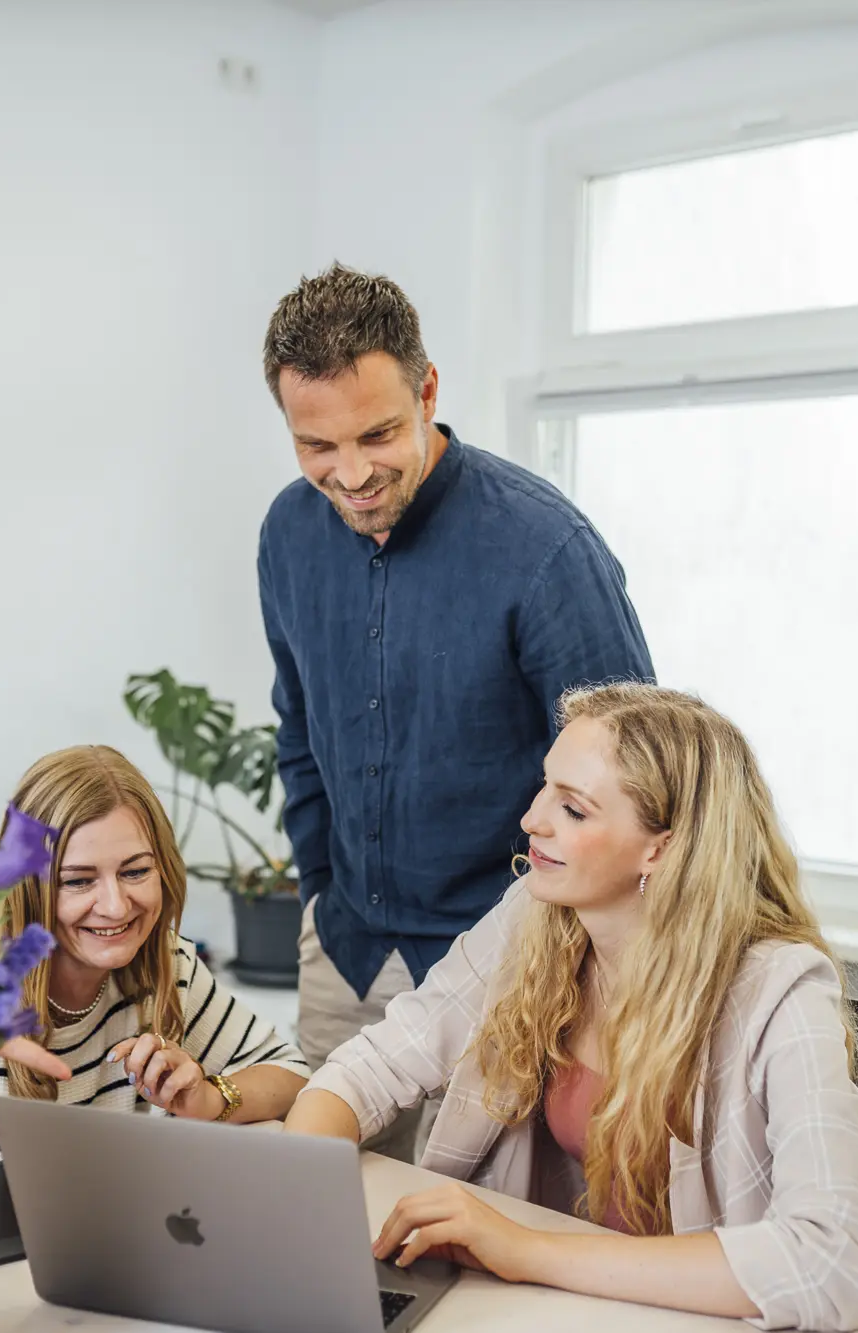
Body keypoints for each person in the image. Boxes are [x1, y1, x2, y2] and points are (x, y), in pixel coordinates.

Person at [284, 683, 858, 1331]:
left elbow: (837, 1259)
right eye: (546, 786)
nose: (532, 819)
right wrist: (296, 1195)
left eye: (573, 809)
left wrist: (527, 1249)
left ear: (660, 847)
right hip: (548, 1308)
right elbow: (374, 1064)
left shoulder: (781, 989)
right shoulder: (537, 913)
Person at [258, 264, 654, 1153]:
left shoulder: (547, 550)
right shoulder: (286, 534)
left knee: (462, 1239)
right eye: (316, 446)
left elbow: (637, 787)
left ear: (428, 390)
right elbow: (300, 729)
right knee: (317, 1217)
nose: (351, 473)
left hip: (508, 963)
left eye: (379, 433)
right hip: (345, 947)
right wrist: (320, 888)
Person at [0, 745, 308, 1167]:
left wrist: (208, 1098)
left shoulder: (169, 964)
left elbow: (293, 1075)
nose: (115, 906)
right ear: (28, 888)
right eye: (77, 881)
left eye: (135, 872)